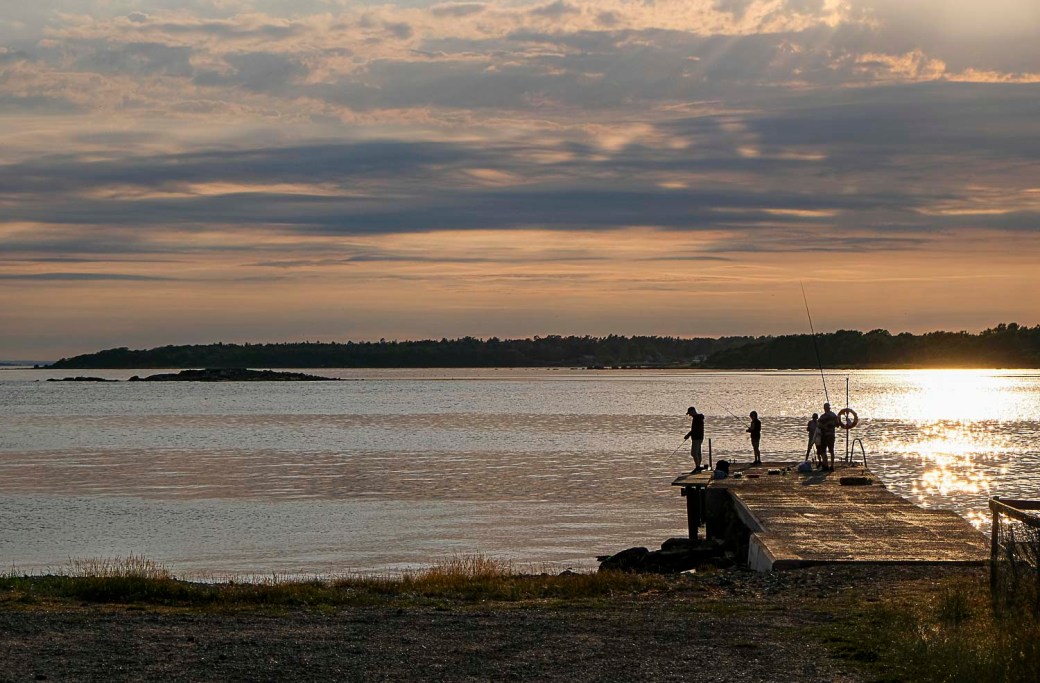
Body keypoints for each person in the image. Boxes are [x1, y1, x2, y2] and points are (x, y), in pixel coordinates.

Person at [683, 406, 706, 471]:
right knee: (698, 453)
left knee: (694, 453)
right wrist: (689, 435)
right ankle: (698, 466)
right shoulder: (699, 418)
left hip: (696, 438)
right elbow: (695, 429)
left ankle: (697, 467)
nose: (689, 415)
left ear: (693, 411)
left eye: (690, 413)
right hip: (700, 437)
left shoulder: (696, 418)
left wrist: (688, 435)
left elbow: (695, 430)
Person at [818, 402, 839, 470]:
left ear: (824, 408)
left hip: (825, 436)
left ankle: (826, 465)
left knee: (823, 451)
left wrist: (825, 426)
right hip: (831, 435)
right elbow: (837, 425)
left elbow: (819, 425)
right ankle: (831, 466)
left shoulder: (823, 416)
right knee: (831, 450)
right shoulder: (834, 415)